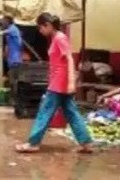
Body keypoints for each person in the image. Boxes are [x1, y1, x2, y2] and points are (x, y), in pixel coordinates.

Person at [15, 13, 92, 153]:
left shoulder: (59, 38)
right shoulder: (57, 38)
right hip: (60, 82)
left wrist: (70, 83)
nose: (40, 31)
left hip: (59, 84)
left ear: (48, 25)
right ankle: (85, 143)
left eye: (41, 28)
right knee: (71, 112)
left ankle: (33, 143)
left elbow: (69, 59)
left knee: (45, 112)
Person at [1, 16, 23, 103]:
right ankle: (14, 100)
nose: (2, 23)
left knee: (14, 81)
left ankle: (15, 100)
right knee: (13, 81)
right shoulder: (12, 31)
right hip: (12, 59)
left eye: (3, 21)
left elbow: (5, 32)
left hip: (15, 60)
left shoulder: (13, 29)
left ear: (8, 21)